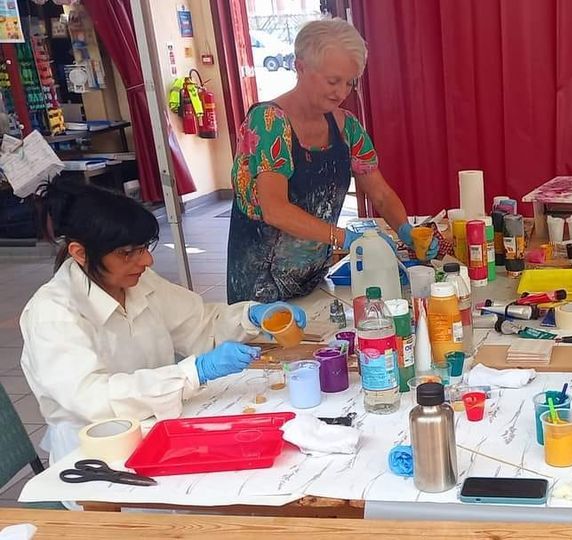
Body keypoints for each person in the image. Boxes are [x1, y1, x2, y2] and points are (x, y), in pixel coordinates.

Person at [19, 181, 307, 465]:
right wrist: (193, 373)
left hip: (161, 430)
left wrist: (252, 317)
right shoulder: (52, 313)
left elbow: (200, 324)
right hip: (97, 456)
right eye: (127, 253)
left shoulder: (137, 282)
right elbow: (94, 400)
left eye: (144, 247)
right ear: (80, 253)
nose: (147, 260)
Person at [227, 19, 437, 303]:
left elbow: (381, 193)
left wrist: (406, 230)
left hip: (313, 281)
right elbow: (275, 209)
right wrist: (346, 238)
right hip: (260, 290)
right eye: (332, 80)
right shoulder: (268, 123)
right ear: (300, 67)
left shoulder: (346, 126)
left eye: (349, 83)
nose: (340, 92)